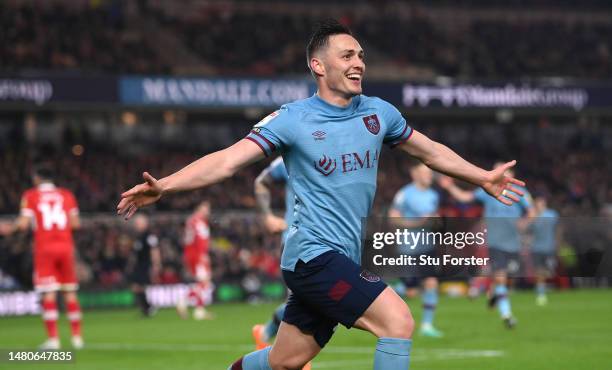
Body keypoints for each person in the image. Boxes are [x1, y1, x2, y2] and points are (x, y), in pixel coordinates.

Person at [117, 19, 526, 370]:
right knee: (397, 321)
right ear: (318, 65)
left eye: (361, 55)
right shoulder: (292, 119)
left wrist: (482, 177)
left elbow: (430, 151)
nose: (358, 63)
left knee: (285, 361)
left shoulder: (378, 112)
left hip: (342, 257)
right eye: (347, 55)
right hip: (312, 258)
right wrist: (166, 184)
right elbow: (228, 160)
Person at [439, 162, 535, 328]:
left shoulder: (521, 192)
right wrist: (450, 187)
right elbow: (465, 197)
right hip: (496, 242)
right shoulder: (488, 189)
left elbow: (532, 212)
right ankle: (507, 315)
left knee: (506, 280)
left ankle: (494, 295)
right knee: (501, 277)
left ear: (510, 173)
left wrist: (524, 225)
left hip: (514, 243)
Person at [0, 165, 84, 349]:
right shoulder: (67, 195)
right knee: (70, 292)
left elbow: (22, 225)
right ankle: (77, 338)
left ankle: (54, 340)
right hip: (66, 247)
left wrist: (8, 228)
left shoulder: (31, 195)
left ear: (37, 179)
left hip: (45, 249)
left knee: (49, 293)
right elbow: (76, 224)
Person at [251, 157, 312, 370]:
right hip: (295, 238)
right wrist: (267, 216)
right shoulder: (290, 156)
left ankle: (266, 332)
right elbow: (261, 181)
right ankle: (298, 359)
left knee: (309, 301)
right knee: (302, 300)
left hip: (328, 239)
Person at [388, 163, 444, 338]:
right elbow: (393, 219)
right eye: (425, 173)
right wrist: (417, 223)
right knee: (410, 290)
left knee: (431, 283)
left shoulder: (434, 195)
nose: (429, 176)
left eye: (430, 173)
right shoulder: (405, 194)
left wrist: (436, 223)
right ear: (415, 174)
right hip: (408, 248)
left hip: (427, 247)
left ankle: (427, 325)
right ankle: (384, 290)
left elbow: (434, 222)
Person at [177, 201, 214, 320]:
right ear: (199, 208)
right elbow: (200, 239)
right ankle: (187, 304)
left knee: (202, 282)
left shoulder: (190, 221)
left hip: (189, 254)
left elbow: (187, 239)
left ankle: (198, 309)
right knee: (205, 281)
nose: (208, 211)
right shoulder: (199, 222)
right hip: (198, 254)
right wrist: (203, 255)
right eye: (205, 208)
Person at [127, 214, 161, 317]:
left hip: (146, 265)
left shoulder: (149, 236)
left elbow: (155, 251)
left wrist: (156, 265)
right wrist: (131, 264)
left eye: (138, 223)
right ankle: (147, 308)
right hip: (139, 265)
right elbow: (134, 253)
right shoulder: (138, 237)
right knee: (136, 287)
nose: (136, 225)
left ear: (145, 223)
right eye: (136, 223)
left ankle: (148, 308)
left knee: (139, 286)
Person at [529, 195, 559, 306]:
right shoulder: (534, 217)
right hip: (537, 248)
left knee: (549, 271)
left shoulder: (552, 215)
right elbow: (528, 231)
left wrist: (558, 243)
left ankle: (544, 287)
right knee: (539, 271)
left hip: (549, 247)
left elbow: (558, 229)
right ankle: (541, 293)